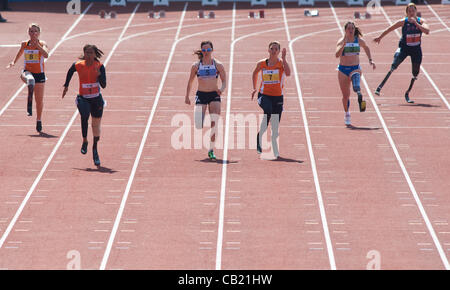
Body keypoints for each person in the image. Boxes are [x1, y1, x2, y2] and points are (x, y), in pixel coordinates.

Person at [373, 3, 430, 103]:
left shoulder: (422, 21)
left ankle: (407, 92)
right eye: (409, 11)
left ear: (416, 11)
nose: (411, 13)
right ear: (407, 13)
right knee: (395, 64)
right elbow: (390, 28)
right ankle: (381, 85)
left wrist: (416, 23)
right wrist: (380, 37)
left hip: (416, 50)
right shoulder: (403, 22)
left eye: (413, 11)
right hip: (404, 48)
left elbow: (427, 31)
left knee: (415, 72)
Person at [62, 44, 106, 166]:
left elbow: (104, 85)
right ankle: (85, 140)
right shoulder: (78, 65)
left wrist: (99, 75)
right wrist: (66, 85)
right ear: (84, 54)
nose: (89, 55)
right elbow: (70, 72)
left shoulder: (100, 67)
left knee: (96, 127)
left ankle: (95, 149)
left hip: (96, 99)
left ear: (95, 54)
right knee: (85, 115)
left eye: (91, 53)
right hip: (83, 98)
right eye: (87, 53)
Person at [185, 40, 227, 161]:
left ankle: (211, 150)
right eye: (204, 50)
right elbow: (190, 81)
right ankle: (200, 116)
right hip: (201, 95)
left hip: (214, 95)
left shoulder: (218, 65)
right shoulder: (196, 66)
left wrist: (222, 89)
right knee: (199, 124)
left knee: (214, 122)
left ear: (212, 50)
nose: (206, 52)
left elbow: (224, 80)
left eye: (208, 50)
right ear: (201, 51)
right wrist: (187, 96)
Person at [6, 23, 49, 132]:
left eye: (35, 31)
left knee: (39, 101)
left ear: (39, 33)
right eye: (31, 31)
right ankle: (29, 96)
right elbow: (19, 53)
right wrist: (13, 62)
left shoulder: (42, 43)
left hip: (39, 74)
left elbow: (46, 55)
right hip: (27, 72)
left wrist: (37, 46)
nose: (33, 33)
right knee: (30, 80)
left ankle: (39, 120)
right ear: (28, 32)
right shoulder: (24, 44)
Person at [251, 41, 291, 158]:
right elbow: (254, 74)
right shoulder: (262, 63)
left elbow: (288, 74)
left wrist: (284, 58)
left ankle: (274, 147)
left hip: (278, 97)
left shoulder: (281, 64)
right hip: (264, 95)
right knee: (267, 110)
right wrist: (254, 88)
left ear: (278, 52)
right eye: (272, 49)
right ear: (268, 50)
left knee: (274, 124)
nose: (273, 51)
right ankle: (259, 138)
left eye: (276, 49)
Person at [335, 21, 375, 126]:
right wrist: (343, 45)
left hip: (355, 68)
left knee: (356, 84)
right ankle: (347, 113)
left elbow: (366, 47)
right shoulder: (341, 41)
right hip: (343, 70)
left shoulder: (359, 40)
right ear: (345, 30)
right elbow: (336, 55)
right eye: (349, 29)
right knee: (345, 96)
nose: (351, 30)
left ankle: (359, 95)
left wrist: (370, 60)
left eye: (352, 28)